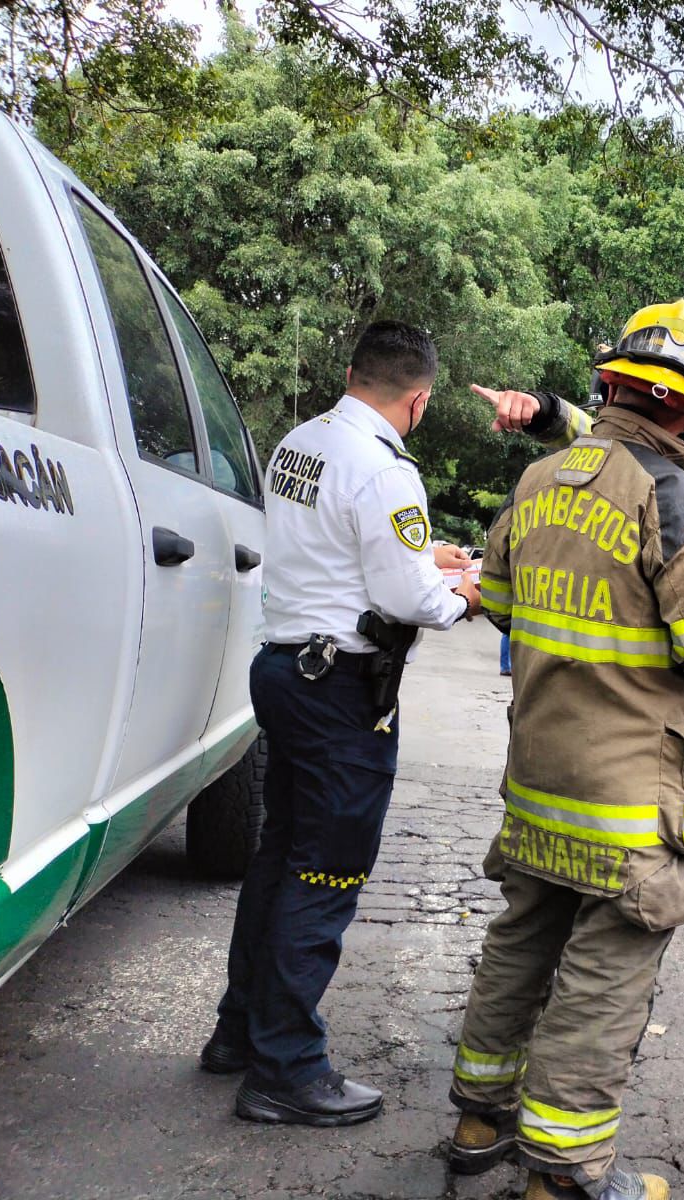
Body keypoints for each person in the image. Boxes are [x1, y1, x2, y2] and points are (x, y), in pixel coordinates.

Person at [445, 300, 684, 1200]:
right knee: (603, 977)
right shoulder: (676, 495)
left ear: (610, 383)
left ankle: (478, 1118)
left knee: (518, 944)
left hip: (539, 782)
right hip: (627, 803)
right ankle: (564, 1176)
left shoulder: (542, 479)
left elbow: (498, 601)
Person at [200, 321, 482, 1126]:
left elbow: (343, 555)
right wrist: (469, 589)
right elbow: (411, 602)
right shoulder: (386, 470)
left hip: (287, 669)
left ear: (353, 372)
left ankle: (239, 1035)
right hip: (340, 695)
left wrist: (434, 559)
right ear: (418, 400)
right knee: (324, 875)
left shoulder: (303, 440)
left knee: (281, 855)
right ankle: (286, 1068)